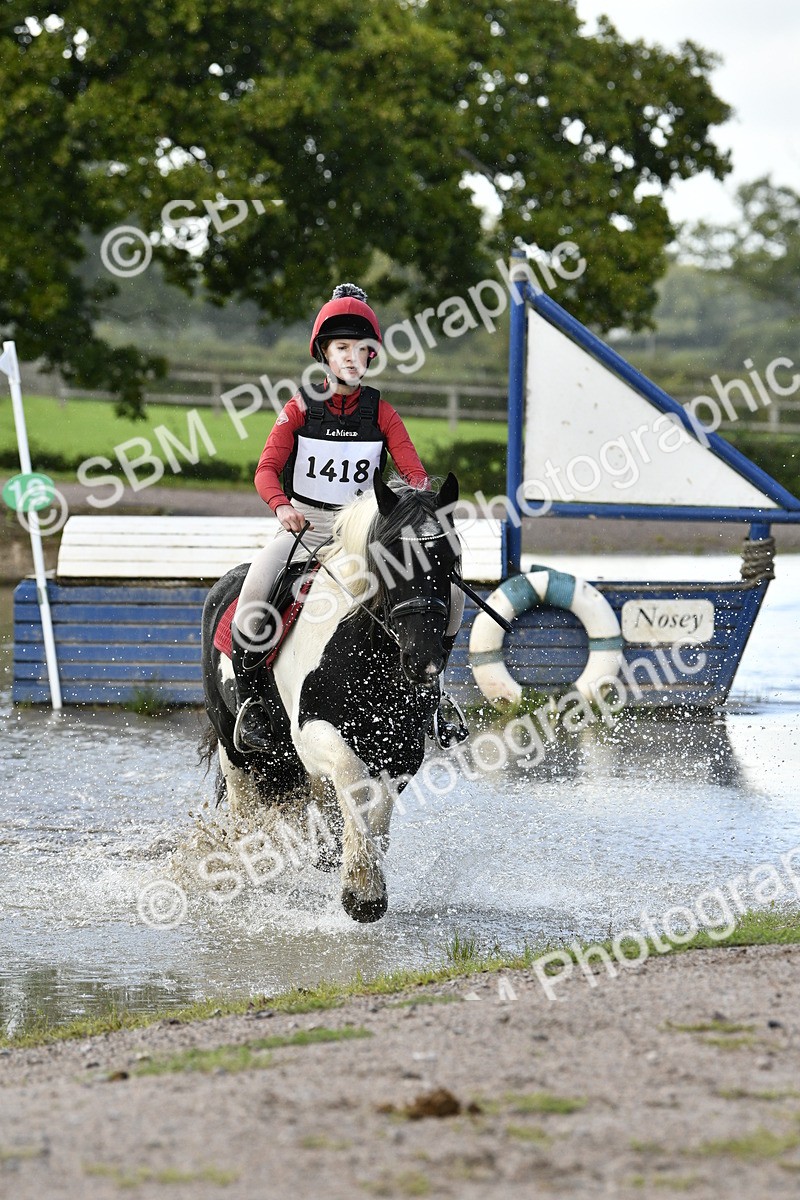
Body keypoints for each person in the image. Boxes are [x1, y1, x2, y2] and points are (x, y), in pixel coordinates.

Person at [231, 283, 464, 751]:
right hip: (307, 527)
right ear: (324, 353)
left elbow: (415, 476)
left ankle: (436, 694)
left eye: (362, 349)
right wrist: (283, 508)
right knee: (254, 597)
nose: (352, 358)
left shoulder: (383, 414)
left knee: (450, 594)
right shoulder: (299, 408)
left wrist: (422, 514)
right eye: (342, 348)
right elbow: (266, 472)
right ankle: (251, 703)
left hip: (365, 535)